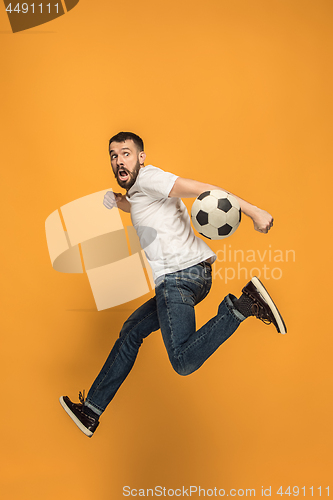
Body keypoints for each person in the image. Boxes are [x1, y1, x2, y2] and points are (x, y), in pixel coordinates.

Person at [60, 131, 287, 437]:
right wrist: (119, 201)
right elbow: (142, 205)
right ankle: (92, 411)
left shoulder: (151, 178)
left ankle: (244, 305)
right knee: (131, 331)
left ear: (141, 157)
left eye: (126, 153)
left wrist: (254, 211)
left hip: (179, 278)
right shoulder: (140, 191)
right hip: (188, 276)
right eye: (113, 156)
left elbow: (206, 190)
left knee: (181, 361)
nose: (118, 161)